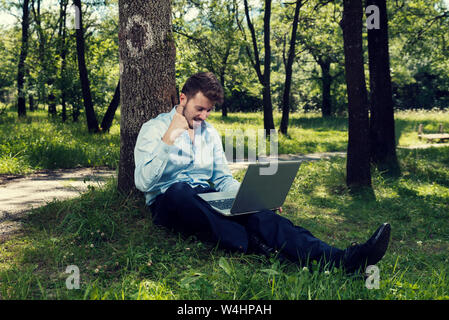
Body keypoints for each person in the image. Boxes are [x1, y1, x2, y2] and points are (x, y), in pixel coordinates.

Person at [134, 72, 391, 273]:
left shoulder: (208, 132)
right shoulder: (155, 128)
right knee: (179, 192)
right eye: (200, 108)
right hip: (169, 202)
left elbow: (222, 178)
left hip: (206, 198)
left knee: (261, 215)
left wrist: (253, 198)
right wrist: (171, 135)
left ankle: (341, 258)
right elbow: (144, 183)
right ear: (183, 99)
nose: (204, 115)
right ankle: (249, 241)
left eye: (209, 110)